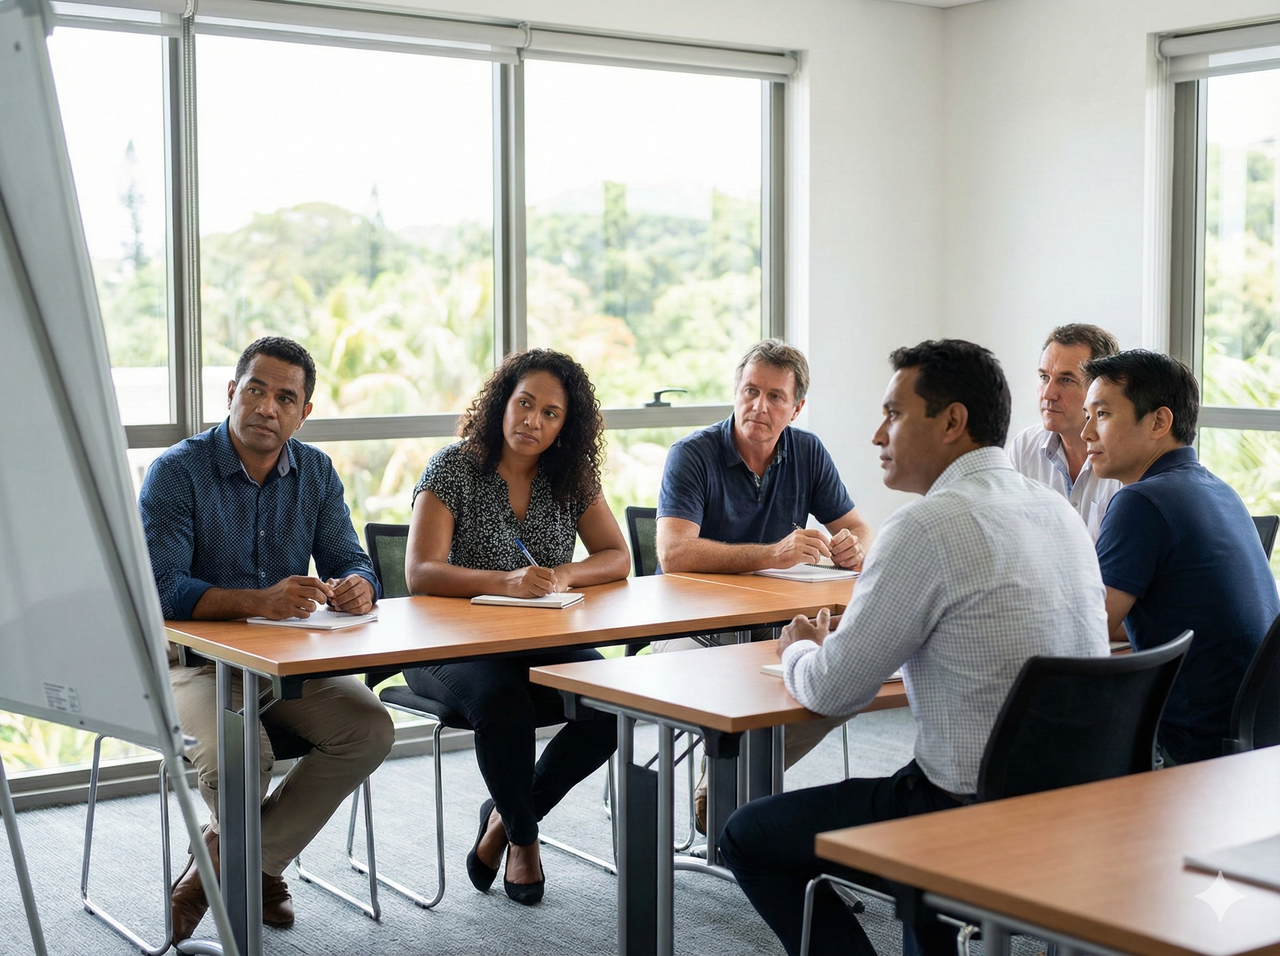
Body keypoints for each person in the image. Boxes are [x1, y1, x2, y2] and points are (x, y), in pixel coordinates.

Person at [719, 339, 1109, 956]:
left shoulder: (925, 526)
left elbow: (831, 689)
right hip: (1075, 802)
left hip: (964, 813)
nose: (878, 435)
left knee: (745, 834)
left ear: (952, 422)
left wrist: (800, 648)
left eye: (894, 415)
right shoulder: (1055, 511)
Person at [139, 336, 394, 941]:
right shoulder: (178, 471)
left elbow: (351, 558)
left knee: (369, 728)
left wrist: (359, 584)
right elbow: (160, 588)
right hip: (193, 666)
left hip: (287, 668)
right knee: (241, 754)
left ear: (303, 413)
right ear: (232, 392)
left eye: (285, 397)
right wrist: (261, 602)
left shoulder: (316, 471)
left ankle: (226, 867)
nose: (267, 407)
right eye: (256, 389)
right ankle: (261, 870)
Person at [403, 349, 629, 906]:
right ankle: (524, 842)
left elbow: (616, 556)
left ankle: (503, 821)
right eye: (524, 404)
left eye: (550, 414)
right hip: (446, 646)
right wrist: (505, 581)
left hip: (537, 640)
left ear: (565, 427)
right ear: (502, 403)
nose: (533, 421)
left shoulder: (571, 477)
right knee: (506, 706)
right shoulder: (453, 467)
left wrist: (562, 574)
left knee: (611, 705)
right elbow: (420, 572)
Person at [653, 339, 875, 824]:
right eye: (751, 390)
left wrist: (852, 546)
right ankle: (734, 795)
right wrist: (772, 554)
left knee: (840, 686)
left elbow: (858, 528)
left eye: (776, 396)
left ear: (795, 408)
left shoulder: (807, 451)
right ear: (735, 391)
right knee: (733, 683)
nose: (760, 406)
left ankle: (726, 784)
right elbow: (672, 553)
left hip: (772, 624)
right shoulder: (692, 454)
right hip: (689, 627)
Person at [1082, 349, 1279, 765]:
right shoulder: (1217, 488)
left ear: (1159, 422)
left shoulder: (1141, 501)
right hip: (1254, 741)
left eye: (1101, 415)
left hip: (1190, 750)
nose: (1085, 432)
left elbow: (1086, 630)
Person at [1007, 323, 1121, 539]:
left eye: (1066, 380)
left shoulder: (1124, 459)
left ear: (1099, 388)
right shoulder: (1025, 448)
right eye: (1044, 377)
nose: (1048, 394)